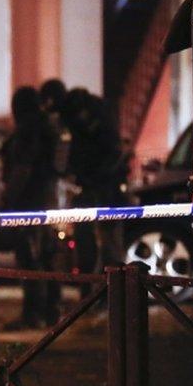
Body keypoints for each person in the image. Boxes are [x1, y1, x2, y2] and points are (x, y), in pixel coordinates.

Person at [1, 87, 61, 329]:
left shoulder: (29, 131)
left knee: (30, 258)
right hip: (47, 202)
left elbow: (22, 169)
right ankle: (51, 311)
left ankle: (33, 314)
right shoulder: (47, 129)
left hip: (29, 205)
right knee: (47, 257)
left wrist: (8, 201)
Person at [62, 88, 129, 297]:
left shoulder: (97, 124)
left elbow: (111, 155)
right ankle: (97, 293)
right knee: (91, 243)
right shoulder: (91, 120)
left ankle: (107, 294)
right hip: (93, 188)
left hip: (102, 190)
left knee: (106, 245)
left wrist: (90, 178)